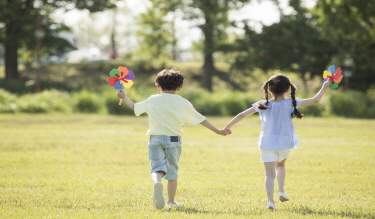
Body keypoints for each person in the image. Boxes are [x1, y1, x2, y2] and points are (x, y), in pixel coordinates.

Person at [117, 68, 229, 209]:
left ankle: (157, 182)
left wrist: (124, 97)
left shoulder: (153, 100)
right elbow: (201, 119)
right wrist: (218, 131)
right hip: (174, 140)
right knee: (172, 172)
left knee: (157, 167)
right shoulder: (183, 102)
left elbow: (134, 107)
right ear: (179, 87)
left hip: (155, 139)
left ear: (158, 86)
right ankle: (170, 202)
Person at [224, 74, 331, 211]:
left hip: (267, 142)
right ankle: (280, 191)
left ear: (269, 89)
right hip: (284, 141)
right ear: (287, 89)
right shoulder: (291, 102)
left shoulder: (263, 104)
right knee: (280, 166)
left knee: (269, 174)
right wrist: (324, 86)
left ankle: (270, 202)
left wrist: (228, 126)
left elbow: (242, 115)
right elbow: (315, 100)